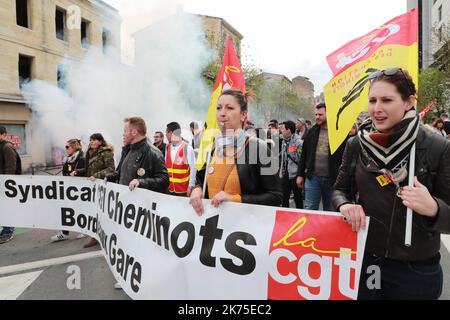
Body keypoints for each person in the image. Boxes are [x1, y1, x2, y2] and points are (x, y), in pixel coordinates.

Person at [332, 68, 450, 300]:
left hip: (416, 270)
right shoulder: (357, 144)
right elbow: (339, 189)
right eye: (373, 100)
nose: (377, 109)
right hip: (366, 260)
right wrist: (344, 204)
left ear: (408, 102)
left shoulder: (438, 147)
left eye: (387, 100)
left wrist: (433, 208)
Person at [189, 89, 282, 216]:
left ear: (243, 115)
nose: (222, 113)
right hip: (214, 228)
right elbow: (202, 180)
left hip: (245, 229)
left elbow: (276, 196)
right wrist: (197, 190)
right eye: (218, 108)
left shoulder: (259, 148)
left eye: (229, 108)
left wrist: (235, 199)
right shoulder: (215, 147)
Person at [106, 117, 169, 290]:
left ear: (134, 132)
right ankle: (131, 277)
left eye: (125, 131)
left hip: (144, 212)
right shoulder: (127, 150)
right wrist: (104, 178)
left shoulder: (152, 152)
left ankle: (148, 282)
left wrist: (142, 182)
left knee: (143, 248)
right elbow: (119, 172)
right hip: (127, 211)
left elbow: (164, 180)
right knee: (128, 245)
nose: (123, 134)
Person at [296, 103, 347, 211]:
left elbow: (345, 157)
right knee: (310, 210)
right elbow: (304, 154)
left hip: (332, 180)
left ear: (329, 114)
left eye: (320, 114)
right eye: (316, 114)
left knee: (331, 211)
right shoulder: (311, 132)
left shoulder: (339, 133)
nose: (317, 117)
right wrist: (300, 175)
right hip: (312, 178)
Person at [74, 133, 115, 248]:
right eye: (90, 140)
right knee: (93, 212)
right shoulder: (89, 153)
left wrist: (97, 175)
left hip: (102, 186)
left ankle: (103, 236)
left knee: (102, 212)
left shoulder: (106, 152)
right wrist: (78, 171)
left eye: (94, 140)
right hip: (91, 187)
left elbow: (111, 169)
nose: (91, 142)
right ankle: (96, 236)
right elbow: (88, 169)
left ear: (100, 142)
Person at [51, 139, 86, 242]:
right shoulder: (67, 159)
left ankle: (84, 229)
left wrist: (76, 173)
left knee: (80, 209)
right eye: (65, 147)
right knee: (65, 209)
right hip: (68, 188)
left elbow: (85, 172)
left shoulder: (82, 158)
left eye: (67, 147)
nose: (65, 149)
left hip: (79, 189)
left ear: (74, 147)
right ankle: (64, 233)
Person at [0, 126, 22, 244]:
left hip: (6, 184)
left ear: (3, 134)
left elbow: (11, 167)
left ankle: (8, 231)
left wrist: (7, 184)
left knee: (6, 207)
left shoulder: (7, 147)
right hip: (2, 182)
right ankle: (5, 230)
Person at [165, 122, 197, 197]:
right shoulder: (167, 147)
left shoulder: (187, 148)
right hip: (169, 189)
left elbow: (193, 168)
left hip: (183, 190)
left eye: (166, 132)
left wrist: (191, 186)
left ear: (171, 133)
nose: (165, 135)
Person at [280, 120, 303, 209]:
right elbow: (283, 157)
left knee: (298, 198)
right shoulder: (284, 141)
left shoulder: (299, 143)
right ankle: (284, 218)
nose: (281, 130)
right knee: (284, 197)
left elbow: (302, 160)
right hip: (286, 173)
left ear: (289, 130)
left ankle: (300, 217)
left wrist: (300, 175)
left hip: (295, 174)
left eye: (283, 129)